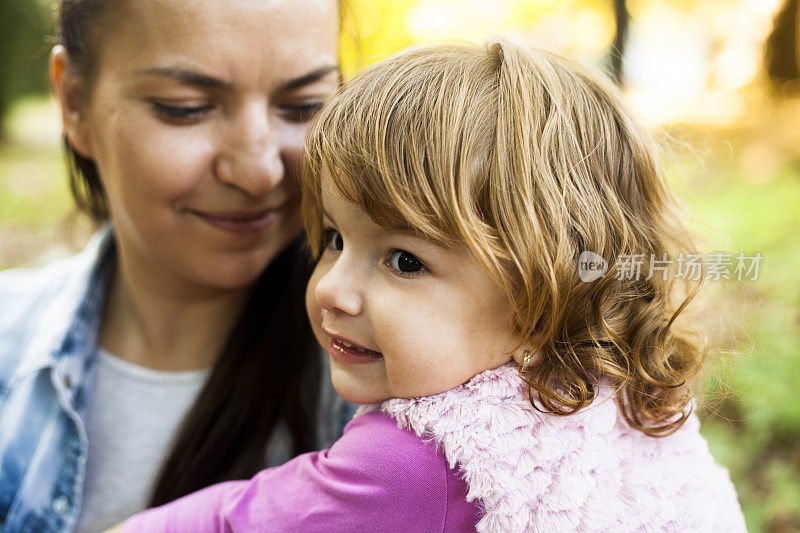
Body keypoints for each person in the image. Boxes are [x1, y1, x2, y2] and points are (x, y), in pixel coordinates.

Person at [119, 39, 746, 531]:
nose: (334, 288)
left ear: (541, 298)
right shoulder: (618, 391)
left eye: (405, 261)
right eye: (336, 238)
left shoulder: (420, 461)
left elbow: (242, 524)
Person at [0, 0, 352, 531]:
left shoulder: (405, 402)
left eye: (304, 106)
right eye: (185, 107)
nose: (257, 171)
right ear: (74, 103)